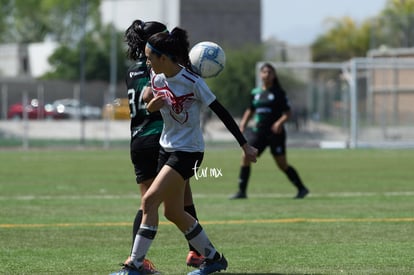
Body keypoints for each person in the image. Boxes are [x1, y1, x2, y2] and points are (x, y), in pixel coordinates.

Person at [110, 27, 258, 275]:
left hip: (189, 152)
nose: (147, 62)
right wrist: (151, 104)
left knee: (149, 200)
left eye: (149, 58)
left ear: (164, 58)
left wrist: (244, 144)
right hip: (165, 149)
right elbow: (147, 97)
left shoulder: (193, 82)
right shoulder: (157, 78)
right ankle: (213, 258)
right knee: (173, 212)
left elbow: (221, 112)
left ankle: (133, 265)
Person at [117, 20, 204, 274]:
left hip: (137, 140)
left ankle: (137, 259)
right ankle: (198, 252)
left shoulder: (131, 71)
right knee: (179, 196)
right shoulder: (161, 68)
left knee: (148, 201)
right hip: (161, 140)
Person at [230, 63, 309, 200]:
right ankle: (241, 192)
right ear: (260, 74)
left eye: (270, 72)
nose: (267, 74)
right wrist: (242, 124)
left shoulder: (279, 93)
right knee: (246, 156)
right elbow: (250, 110)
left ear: (274, 75)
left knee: (282, 164)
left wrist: (279, 123)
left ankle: (302, 188)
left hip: (275, 134)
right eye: (264, 72)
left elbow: (287, 113)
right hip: (259, 133)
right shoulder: (255, 93)